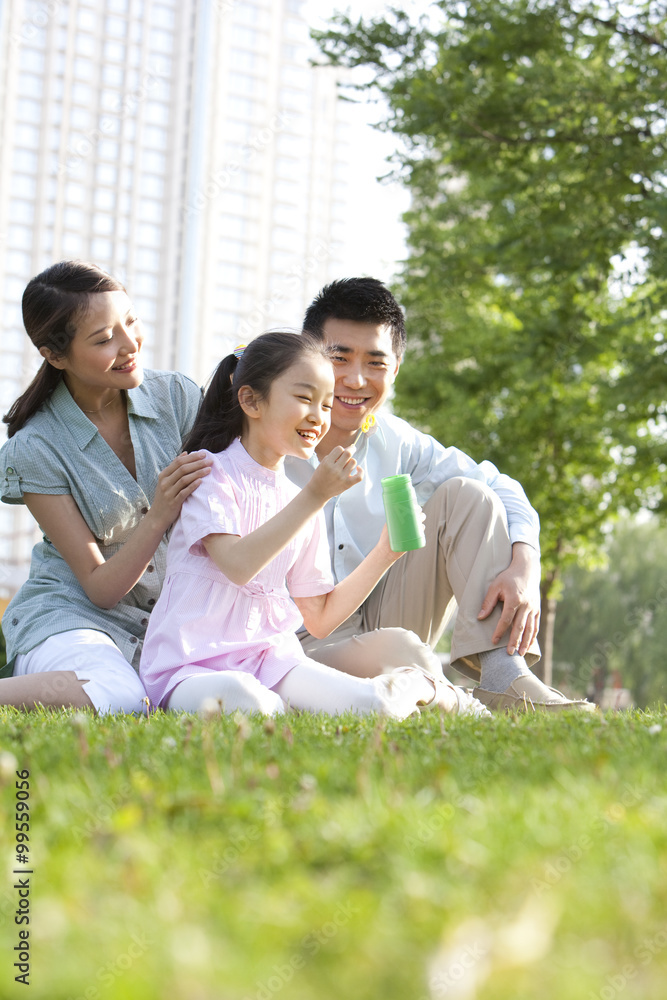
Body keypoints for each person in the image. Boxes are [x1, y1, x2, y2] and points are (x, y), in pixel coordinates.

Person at [285, 278, 595, 712]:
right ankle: (445, 695)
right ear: (308, 355)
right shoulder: (269, 437)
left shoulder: (399, 442)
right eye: (339, 357)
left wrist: (526, 562)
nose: (355, 379)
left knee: (469, 497)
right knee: (403, 655)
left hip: (380, 622)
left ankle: (503, 679)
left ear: (394, 370)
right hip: (290, 643)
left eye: (375, 362)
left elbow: (502, 486)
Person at [139, 332, 488, 719]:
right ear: (251, 400)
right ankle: (276, 703)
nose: (319, 417)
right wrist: (315, 497)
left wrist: (386, 553)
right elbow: (237, 565)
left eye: (326, 404)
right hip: (189, 666)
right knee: (251, 704)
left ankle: (420, 685)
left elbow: (319, 617)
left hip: (270, 660)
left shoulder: (300, 497)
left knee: (375, 708)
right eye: (305, 399)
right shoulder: (210, 473)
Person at [0, 260, 212, 714]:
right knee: (120, 695)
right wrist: (158, 516)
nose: (129, 344)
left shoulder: (177, 397)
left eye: (131, 322)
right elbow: (98, 588)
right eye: (103, 339)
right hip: (71, 617)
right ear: (54, 355)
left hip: (164, 623)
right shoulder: (36, 446)